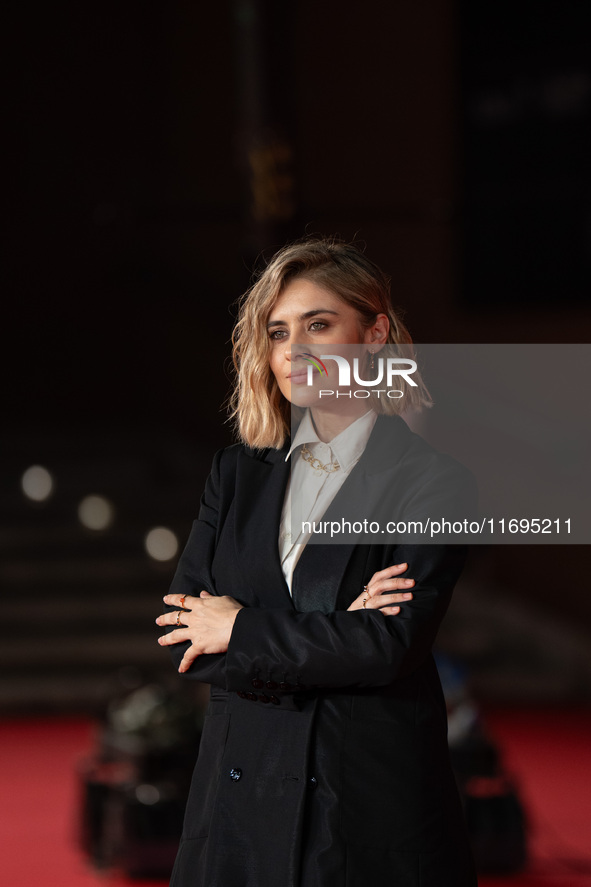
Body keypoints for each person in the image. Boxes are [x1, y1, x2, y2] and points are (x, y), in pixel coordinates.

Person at [155, 237, 478, 887]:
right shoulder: (234, 473)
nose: (294, 348)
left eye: (319, 324)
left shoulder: (434, 482)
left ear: (374, 332)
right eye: (278, 331)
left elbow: (389, 644)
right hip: (237, 809)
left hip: (359, 808)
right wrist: (333, 630)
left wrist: (242, 627)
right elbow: (185, 637)